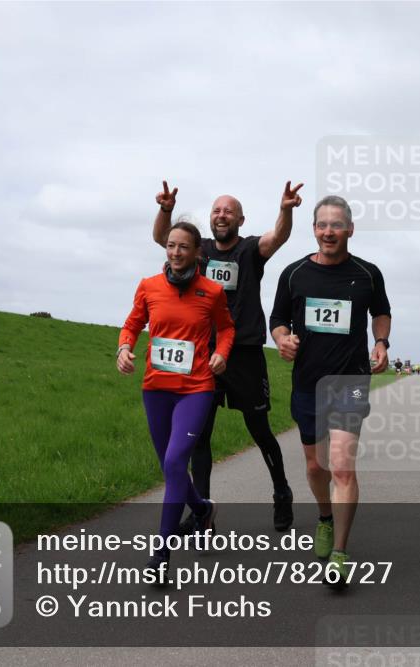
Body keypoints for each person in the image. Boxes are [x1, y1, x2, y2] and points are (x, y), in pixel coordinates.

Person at [152, 180, 302, 531]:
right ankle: (204, 516)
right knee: (199, 437)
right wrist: (165, 209)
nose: (222, 216)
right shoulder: (199, 249)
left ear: (240, 220)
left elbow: (276, 238)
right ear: (211, 218)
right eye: (217, 211)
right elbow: (163, 239)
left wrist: (285, 210)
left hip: (244, 352)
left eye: (229, 211)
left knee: (259, 429)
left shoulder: (250, 250)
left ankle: (281, 491)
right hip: (203, 353)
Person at [269, 195, 391, 589]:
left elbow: (381, 311)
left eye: (336, 225)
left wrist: (381, 342)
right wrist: (282, 339)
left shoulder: (368, 274)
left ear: (350, 230)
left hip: (350, 380)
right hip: (307, 383)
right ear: (314, 230)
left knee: (341, 465)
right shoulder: (294, 274)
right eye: (322, 225)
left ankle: (339, 551)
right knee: (316, 467)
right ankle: (324, 516)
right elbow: (277, 319)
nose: (328, 231)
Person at [117, 221, 234, 573]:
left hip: (196, 389)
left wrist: (222, 353)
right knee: (171, 467)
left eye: (184, 247)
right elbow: (132, 324)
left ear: (198, 252)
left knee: (173, 465)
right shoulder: (149, 286)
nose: (176, 252)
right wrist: (124, 348)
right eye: (171, 245)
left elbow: (227, 328)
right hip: (156, 389)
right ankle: (201, 509)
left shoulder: (211, 292)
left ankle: (161, 556)